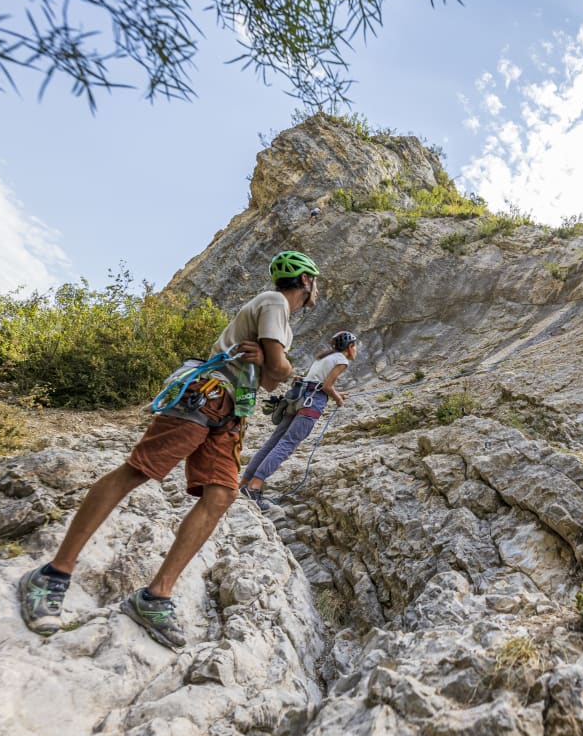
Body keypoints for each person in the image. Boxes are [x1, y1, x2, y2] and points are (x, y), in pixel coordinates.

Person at [18, 251, 320, 650]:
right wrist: (278, 364)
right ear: (306, 281)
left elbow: (267, 381)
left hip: (229, 409)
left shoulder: (278, 319)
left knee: (221, 495)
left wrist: (272, 363)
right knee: (137, 470)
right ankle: (52, 574)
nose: (316, 290)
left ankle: (155, 596)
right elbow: (277, 373)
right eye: (315, 282)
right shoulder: (274, 302)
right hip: (208, 395)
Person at [240, 330, 357, 510]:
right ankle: (254, 487)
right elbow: (327, 386)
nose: (355, 350)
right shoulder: (342, 360)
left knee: (273, 442)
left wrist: (336, 394)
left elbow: (317, 382)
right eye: (355, 346)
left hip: (297, 399)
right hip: (311, 403)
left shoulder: (323, 357)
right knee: (287, 444)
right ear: (350, 346)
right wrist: (338, 399)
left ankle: (244, 483)